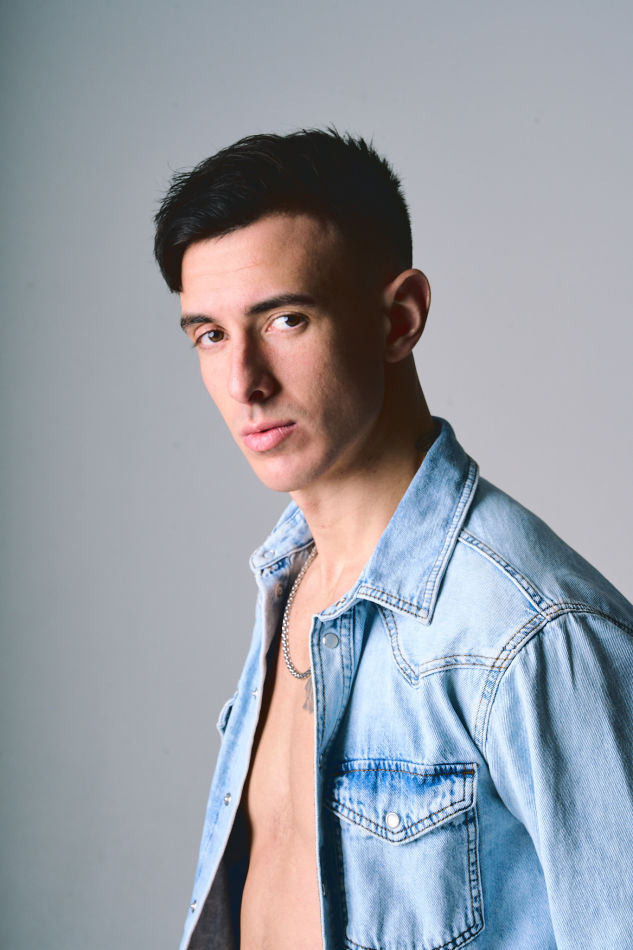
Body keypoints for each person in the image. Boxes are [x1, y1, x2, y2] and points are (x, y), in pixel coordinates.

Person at [154, 130, 633, 950]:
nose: (244, 383)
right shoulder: (291, 582)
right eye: (211, 335)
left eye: (286, 320)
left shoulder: (530, 633)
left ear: (398, 319)